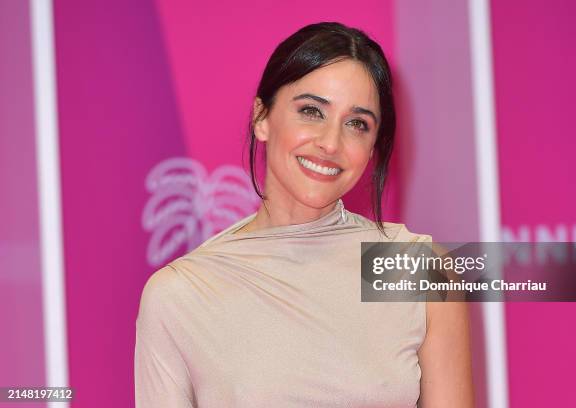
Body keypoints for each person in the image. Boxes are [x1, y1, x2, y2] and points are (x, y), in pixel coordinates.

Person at [134, 22, 474, 407]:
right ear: (262, 117)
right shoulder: (181, 293)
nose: (331, 143)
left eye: (357, 124)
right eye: (311, 111)